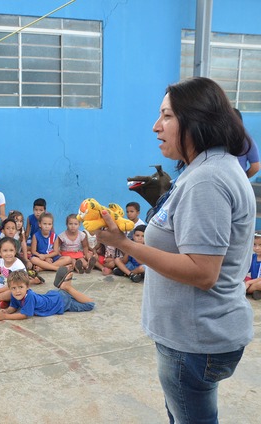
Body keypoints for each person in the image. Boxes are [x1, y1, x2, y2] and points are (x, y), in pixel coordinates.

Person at [96, 77, 254, 423]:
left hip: (194, 338)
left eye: (166, 116)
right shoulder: (200, 169)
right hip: (195, 334)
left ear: (196, 120)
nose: (156, 127)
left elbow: (202, 271)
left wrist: (123, 244)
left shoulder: (207, 179)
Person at [0, 269, 94, 321]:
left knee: (90, 305)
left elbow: (24, 315)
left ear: (28, 287)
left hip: (60, 302)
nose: (17, 291)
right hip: (52, 297)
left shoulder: (29, 296)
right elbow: (13, 306)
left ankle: (67, 287)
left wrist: (5, 316)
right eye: (14, 288)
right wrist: (6, 311)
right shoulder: (15, 295)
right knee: (70, 297)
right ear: (10, 288)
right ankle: (66, 288)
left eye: (21, 287)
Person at [234, 108, 260, 179]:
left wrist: (243, 178)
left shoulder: (245, 140)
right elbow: (255, 167)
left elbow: (256, 167)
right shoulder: (247, 140)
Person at [244, 232, 261, 300]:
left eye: (260, 245)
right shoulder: (253, 257)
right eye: (254, 244)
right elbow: (245, 270)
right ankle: (255, 291)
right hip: (253, 281)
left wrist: (249, 282)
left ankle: (245, 291)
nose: (257, 248)